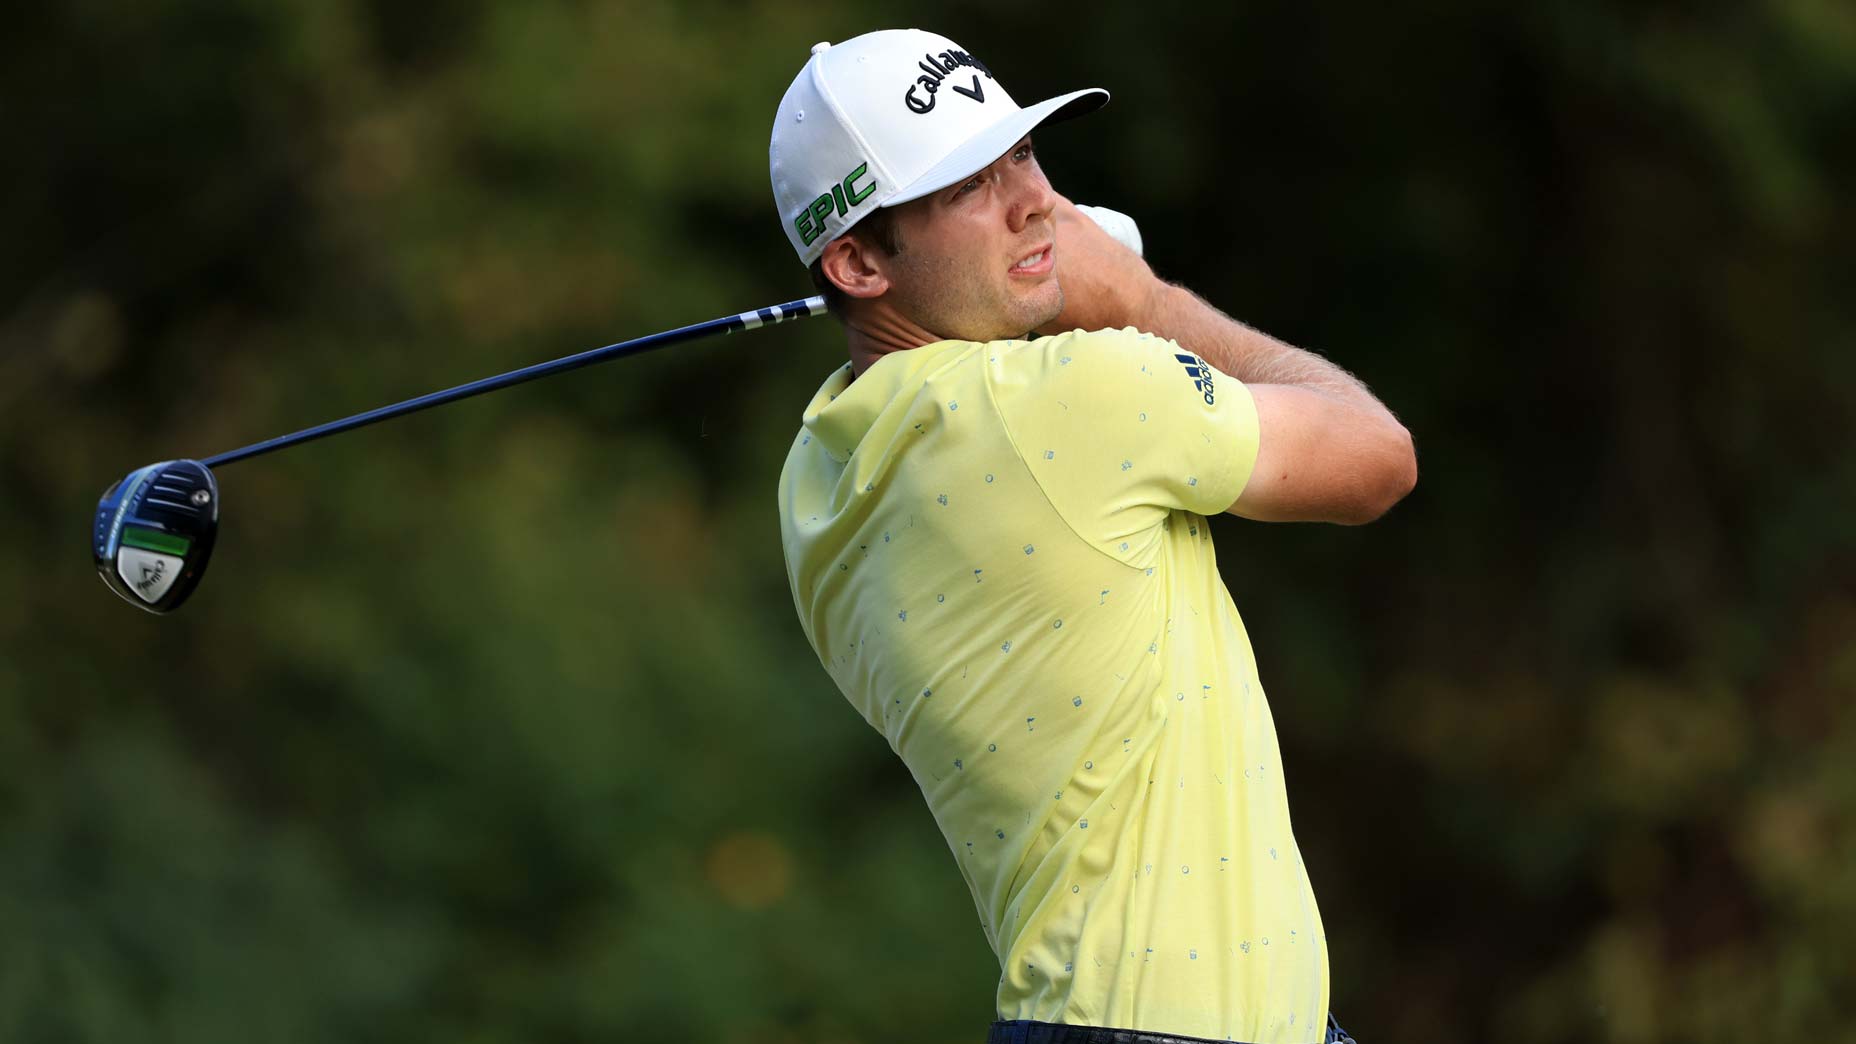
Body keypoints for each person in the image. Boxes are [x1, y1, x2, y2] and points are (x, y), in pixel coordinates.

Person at [771, 29, 1414, 1044]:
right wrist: (1144, 303)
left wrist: (1025, 282)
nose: (1035, 202)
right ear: (853, 259)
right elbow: (1376, 457)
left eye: (1018, 154)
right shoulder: (1070, 402)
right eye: (962, 186)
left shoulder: (813, 483)